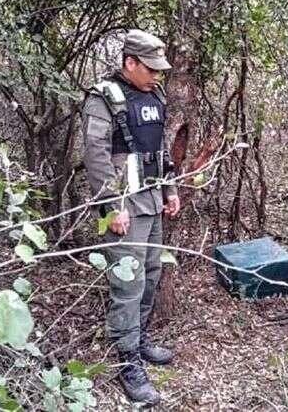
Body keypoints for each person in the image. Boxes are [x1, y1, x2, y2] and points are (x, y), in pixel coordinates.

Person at [82, 29, 181, 406]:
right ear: (130, 63)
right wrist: (111, 206)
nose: (158, 74)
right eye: (151, 67)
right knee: (128, 281)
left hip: (153, 198)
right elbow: (95, 155)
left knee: (151, 273)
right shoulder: (103, 99)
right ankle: (127, 361)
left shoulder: (154, 94)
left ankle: (138, 340)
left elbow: (160, 148)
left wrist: (170, 189)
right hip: (124, 204)